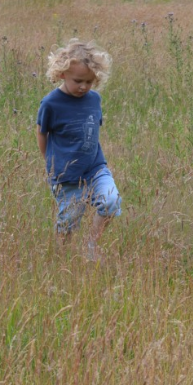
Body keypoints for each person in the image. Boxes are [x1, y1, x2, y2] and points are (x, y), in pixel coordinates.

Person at [36, 39, 121, 260]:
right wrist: (51, 164)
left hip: (95, 168)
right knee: (69, 222)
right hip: (67, 175)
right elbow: (41, 133)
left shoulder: (94, 100)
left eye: (89, 82)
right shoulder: (51, 103)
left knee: (111, 201)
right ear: (62, 73)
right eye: (78, 81)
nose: (83, 86)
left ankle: (91, 246)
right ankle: (62, 260)